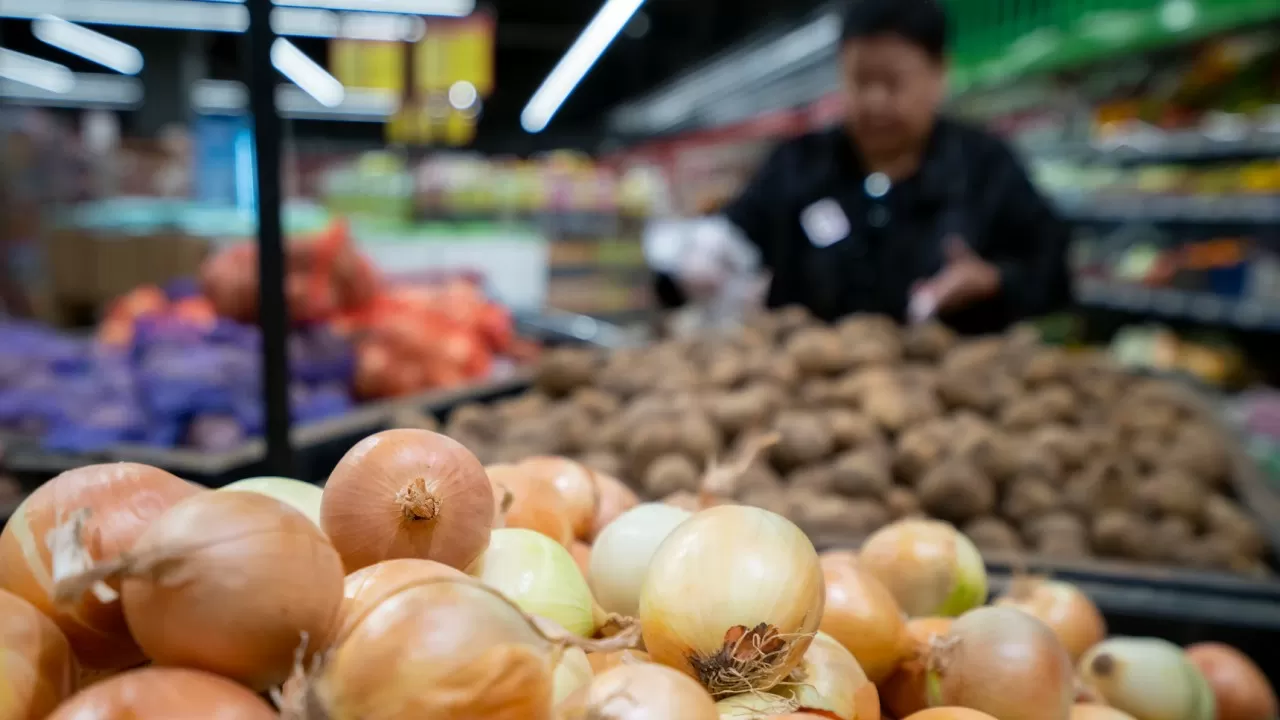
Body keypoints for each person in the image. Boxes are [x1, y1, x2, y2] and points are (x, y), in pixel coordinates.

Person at [657, 0, 1072, 334]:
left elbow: (1053, 269)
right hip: (810, 387)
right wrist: (692, 263)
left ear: (939, 74)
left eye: (893, 83)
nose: (874, 102)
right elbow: (731, 237)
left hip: (956, 392)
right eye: (859, 80)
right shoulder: (798, 164)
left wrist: (995, 280)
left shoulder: (987, 167)